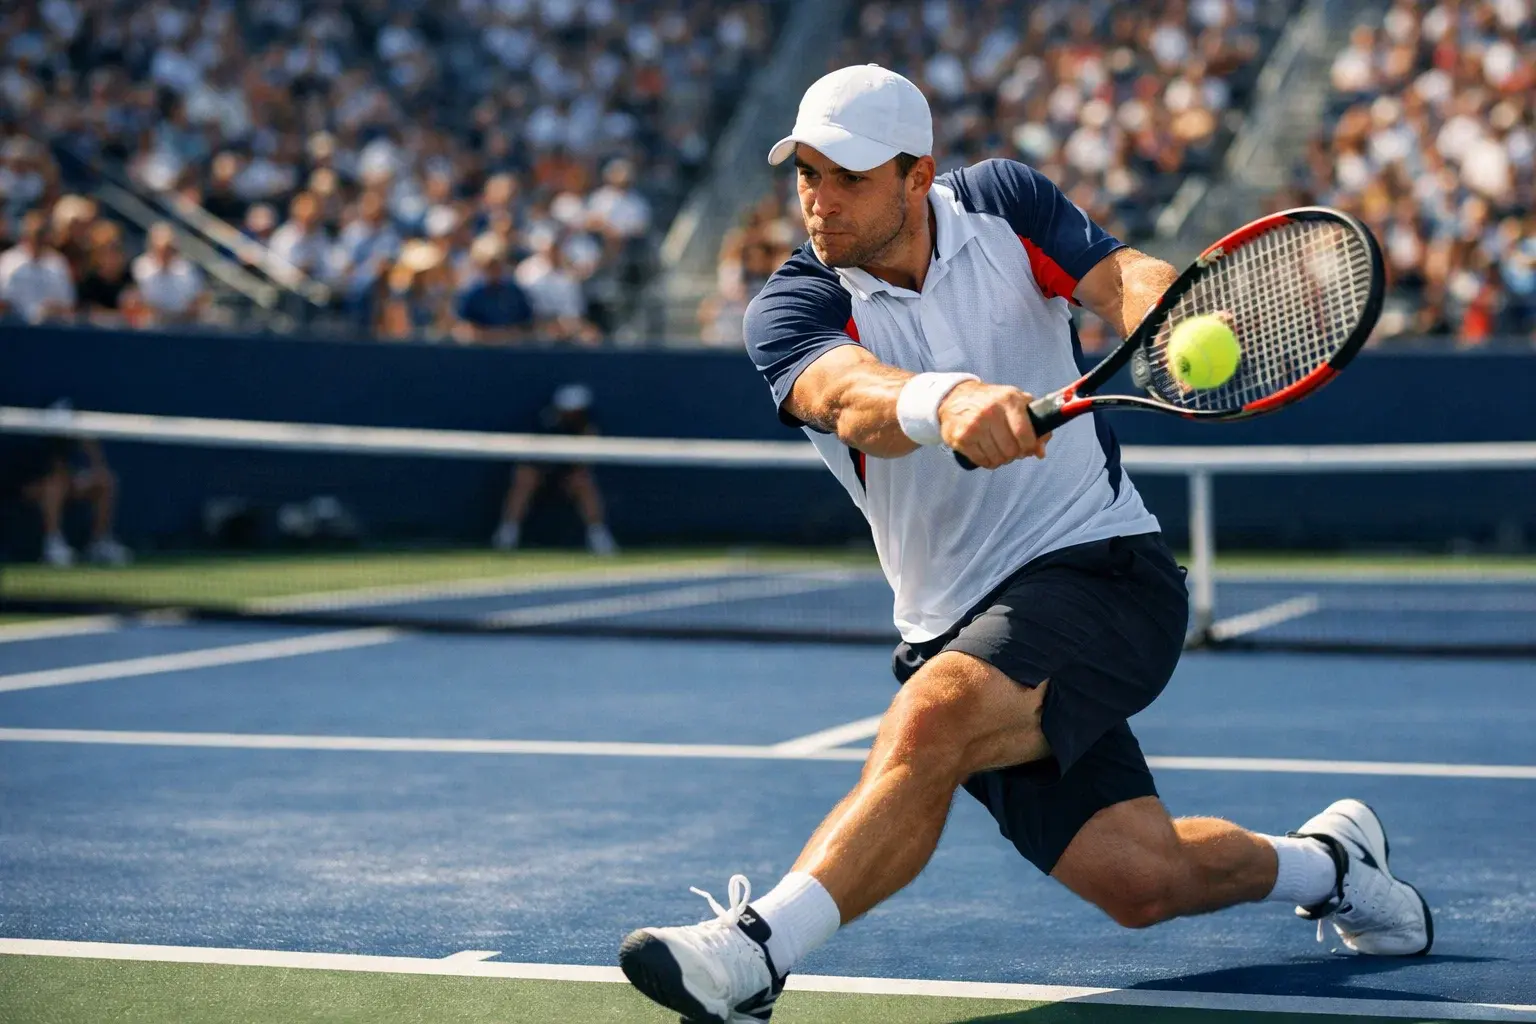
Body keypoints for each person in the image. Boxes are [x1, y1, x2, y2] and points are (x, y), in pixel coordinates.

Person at [618, 66, 1432, 1023]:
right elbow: (848, 397)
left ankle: (756, 955)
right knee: (1143, 882)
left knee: (931, 721)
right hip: (951, 621)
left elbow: (1121, 275)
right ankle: (1334, 864)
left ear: (917, 176)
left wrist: (1167, 320)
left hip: (1101, 567)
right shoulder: (789, 307)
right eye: (804, 171)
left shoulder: (1004, 200)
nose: (816, 197)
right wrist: (949, 400)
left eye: (845, 175)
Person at [491, 383, 617, 556]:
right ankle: (507, 534)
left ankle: (598, 536)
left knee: (583, 481)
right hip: (541, 472)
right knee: (524, 477)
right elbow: (530, 458)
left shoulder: (588, 425)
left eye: (577, 410)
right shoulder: (543, 422)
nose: (572, 414)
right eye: (569, 409)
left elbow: (584, 461)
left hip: (568, 475)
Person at [1, 426, 130, 567]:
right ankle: (53, 543)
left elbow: (80, 456)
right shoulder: (25, 439)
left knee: (104, 481)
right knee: (55, 486)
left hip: (66, 481)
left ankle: (99, 543)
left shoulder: (69, 433)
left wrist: (95, 462)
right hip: (27, 486)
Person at [453, 234, 534, 344]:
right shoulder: (471, 293)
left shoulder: (515, 292)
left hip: (512, 353)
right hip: (479, 353)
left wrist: (508, 335)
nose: (494, 269)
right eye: (490, 265)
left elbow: (527, 326)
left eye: (497, 264)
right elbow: (463, 329)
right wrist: (491, 336)